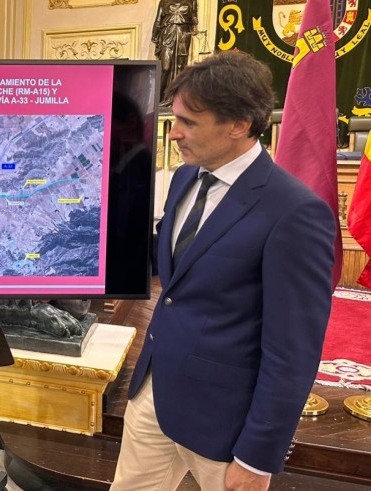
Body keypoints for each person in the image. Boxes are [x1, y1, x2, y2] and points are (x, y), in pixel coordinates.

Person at [111, 51, 335, 490]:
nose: (174, 133)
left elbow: (293, 350)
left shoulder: (294, 212)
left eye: (188, 122)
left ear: (239, 124)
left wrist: (257, 457)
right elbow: (174, 267)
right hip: (153, 393)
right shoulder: (185, 178)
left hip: (224, 423)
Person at [152, 0, 198, 105]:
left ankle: (175, 99)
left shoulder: (192, 1)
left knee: (180, 67)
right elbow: (158, 20)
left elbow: (194, 19)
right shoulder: (164, 1)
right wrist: (154, 35)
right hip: (167, 34)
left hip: (183, 35)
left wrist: (194, 28)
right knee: (165, 67)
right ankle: (160, 99)